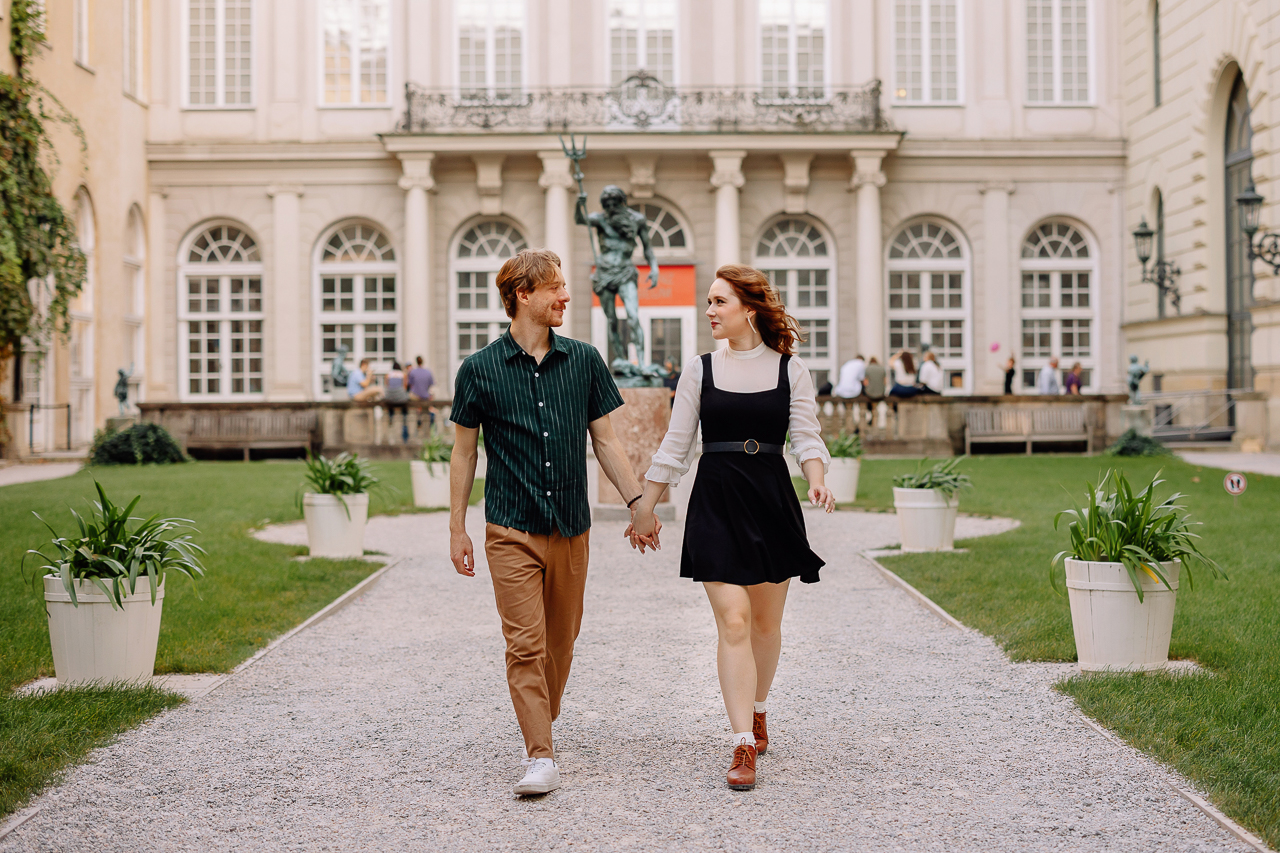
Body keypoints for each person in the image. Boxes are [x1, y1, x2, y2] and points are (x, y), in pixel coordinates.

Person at [447, 248, 661, 798]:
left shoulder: (585, 360)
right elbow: (464, 454)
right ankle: (539, 755)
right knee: (524, 645)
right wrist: (457, 528)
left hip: (571, 526)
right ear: (524, 294)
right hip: (510, 528)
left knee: (559, 644)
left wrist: (638, 500)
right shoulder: (478, 370)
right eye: (557, 288)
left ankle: (542, 717)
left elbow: (606, 441)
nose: (567, 296)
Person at [630, 263, 833, 793]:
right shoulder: (699, 369)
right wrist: (645, 506)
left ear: (749, 308)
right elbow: (676, 446)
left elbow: (806, 437)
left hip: (771, 501)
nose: (710, 311)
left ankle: (759, 707)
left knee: (766, 626)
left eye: (719, 302)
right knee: (735, 622)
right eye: (710, 302)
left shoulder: (792, 370)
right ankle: (743, 740)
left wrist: (817, 480)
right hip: (716, 501)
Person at [407, 355, 436, 430]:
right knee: (426, 413)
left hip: (415, 396)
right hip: (425, 396)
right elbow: (431, 384)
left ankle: (418, 424)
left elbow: (410, 384)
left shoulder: (412, 372)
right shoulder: (428, 372)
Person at [384, 361, 410, 442]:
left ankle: (391, 418)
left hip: (390, 397)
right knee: (404, 407)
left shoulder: (388, 375)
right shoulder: (403, 374)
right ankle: (405, 419)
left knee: (391, 407)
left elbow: (387, 386)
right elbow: (405, 387)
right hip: (400, 397)